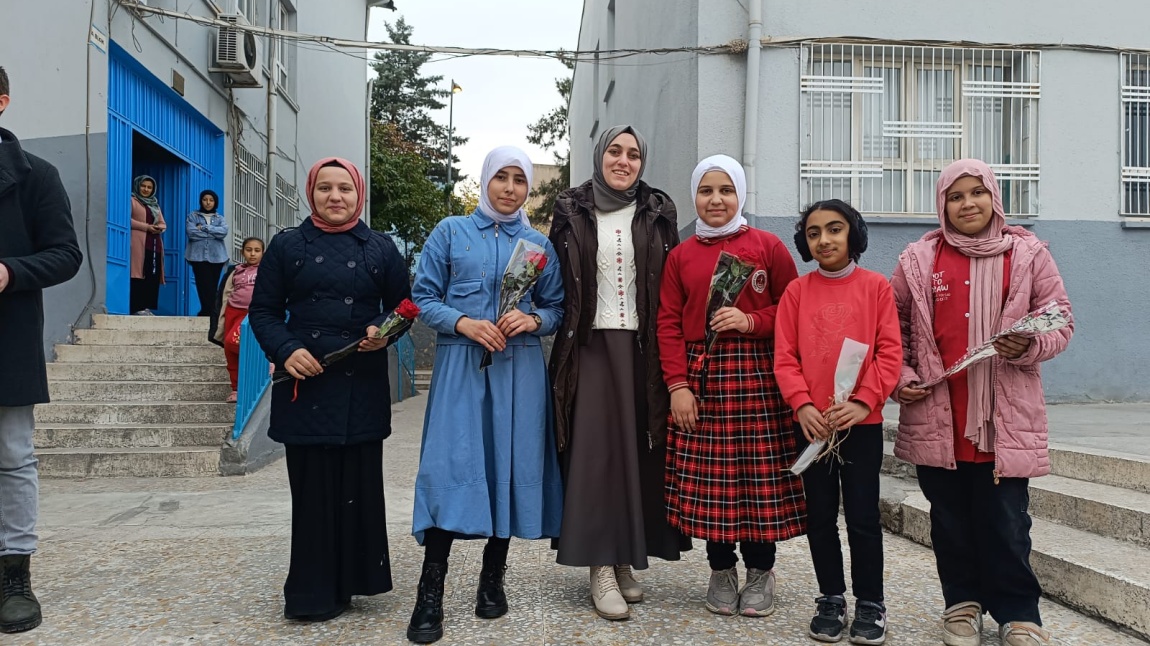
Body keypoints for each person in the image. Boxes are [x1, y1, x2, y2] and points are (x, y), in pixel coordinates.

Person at [891, 159, 1073, 646]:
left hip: (1004, 423)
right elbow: (893, 332)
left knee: (1008, 524)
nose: (967, 203)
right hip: (938, 419)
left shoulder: (1029, 254)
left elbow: (1060, 322)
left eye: (977, 193)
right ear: (941, 205)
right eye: (955, 196)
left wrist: (1030, 345)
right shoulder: (918, 261)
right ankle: (961, 606)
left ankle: (1018, 613)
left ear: (994, 197)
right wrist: (903, 377)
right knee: (950, 523)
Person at [407, 146, 564, 644]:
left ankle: (492, 578)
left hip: (519, 372)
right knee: (450, 468)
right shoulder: (450, 232)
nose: (511, 187)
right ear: (485, 180)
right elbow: (422, 298)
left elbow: (557, 307)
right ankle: (430, 590)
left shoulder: (539, 245)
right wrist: (463, 322)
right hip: (460, 367)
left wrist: (534, 320)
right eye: (502, 177)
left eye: (520, 179)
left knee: (507, 466)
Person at [248, 157, 410, 622]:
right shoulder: (287, 245)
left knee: (358, 489)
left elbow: (403, 306)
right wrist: (286, 349)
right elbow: (263, 311)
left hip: (360, 383)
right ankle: (312, 591)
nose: (335, 197)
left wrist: (383, 328)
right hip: (306, 381)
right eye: (325, 188)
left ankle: (356, 580)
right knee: (313, 491)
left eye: (344, 189)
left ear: (359, 194)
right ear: (310, 192)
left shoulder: (380, 247)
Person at [549, 125, 690, 622]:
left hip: (643, 349)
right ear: (599, 156)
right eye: (615, 151)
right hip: (589, 347)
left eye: (633, 154)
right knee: (596, 455)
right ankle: (599, 566)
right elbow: (553, 280)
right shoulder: (570, 211)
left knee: (637, 453)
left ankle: (625, 556)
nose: (624, 161)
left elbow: (670, 287)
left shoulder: (656, 212)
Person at [657, 154, 804, 618]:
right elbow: (667, 324)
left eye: (725, 190)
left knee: (759, 479)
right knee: (713, 481)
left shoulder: (767, 246)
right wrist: (678, 385)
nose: (716, 199)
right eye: (706, 190)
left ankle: (761, 571)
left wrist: (752, 320)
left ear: (740, 194)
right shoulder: (681, 256)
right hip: (703, 374)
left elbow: (793, 309)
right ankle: (721, 569)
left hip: (758, 375)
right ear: (695, 196)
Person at [773, 199, 901, 644]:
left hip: (860, 426)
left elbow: (889, 353)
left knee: (863, 517)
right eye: (813, 233)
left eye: (834, 229)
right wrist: (802, 405)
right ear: (805, 242)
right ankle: (830, 597)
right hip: (812, 426)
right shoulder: (797, 292)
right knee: (820, 517)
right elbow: (785, 358)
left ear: (853, 234)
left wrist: (865, 402)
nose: (824, 239)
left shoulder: (876, 288)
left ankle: (871, 603)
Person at [0, 64, 84, 633]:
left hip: (5, 339)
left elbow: (66, 254)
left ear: (2, 102)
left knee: (11, 456)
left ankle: (13, 576)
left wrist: (8, 271)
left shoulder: (34, 175)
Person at [213, 237, 264, 402]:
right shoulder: (236, 271)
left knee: (234, 343)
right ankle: (236, 388)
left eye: (257, 250)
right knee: (229, 348)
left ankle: (256, 376)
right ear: (243, 252)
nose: (253, 254)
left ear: (263, 253)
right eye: (249, 250)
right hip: (234, 312)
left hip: (254, 315)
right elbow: (225, 293)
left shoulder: (267, 270)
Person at [185, 189, 229, 317]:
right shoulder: (193, 216)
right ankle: (208, 310)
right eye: (205, 200)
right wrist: (213, 233)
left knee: (213, 284)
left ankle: (209, 311)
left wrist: (204, 228)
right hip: (197, 256)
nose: (208, 203)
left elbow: (223, 232)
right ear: (201, 201)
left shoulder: (220, 218)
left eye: (211, 200)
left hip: (217, 256)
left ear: (215, 202)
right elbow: (191, 233)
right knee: (202, 283)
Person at [130, 174, 166, 315]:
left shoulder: (154, 205)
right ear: (138, 186)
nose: (146, 189)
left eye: (149, 187)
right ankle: (136, 307)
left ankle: (146, 307)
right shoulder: (132, 201)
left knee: (152, 275)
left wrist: (159, 228)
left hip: (154, 244)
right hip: (139, 243)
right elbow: (128, 220)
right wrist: (146, 227)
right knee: (138, 274)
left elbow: (163, 223)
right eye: (143, 186)